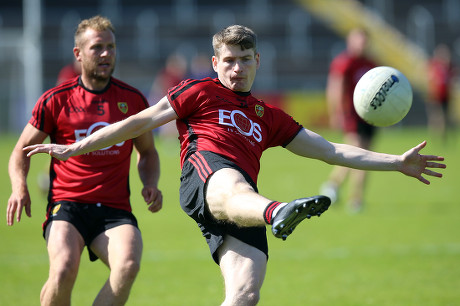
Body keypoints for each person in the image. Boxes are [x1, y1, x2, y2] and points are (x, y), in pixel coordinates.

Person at [24, 25, 445, 305]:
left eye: (245, 59)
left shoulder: (270, 116)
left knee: (244, 294)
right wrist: (72, 149)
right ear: (215, 64)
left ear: (257, 61)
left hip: (239, 206)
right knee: (232, 181)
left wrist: (397, 162)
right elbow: (136, 123)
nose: (237, 68)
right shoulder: (199, 91)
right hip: (206, 177)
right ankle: (277, 211)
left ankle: (269, 211)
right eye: (228, 60)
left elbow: (331, 150)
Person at [7, 15, 163, 306]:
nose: (106, 54)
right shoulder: (56, 100)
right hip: (68, 206)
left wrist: (150, 182)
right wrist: (20, 188)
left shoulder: (131, 100)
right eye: (97, 47)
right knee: (63, 269)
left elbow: (148, 152)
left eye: (111, 47)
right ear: (78, 53)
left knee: (128, 265)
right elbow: (20, 150)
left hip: (115, 209)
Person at [320, 28, 378, 213]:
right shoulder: (344, 62)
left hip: (369, 117)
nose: (361, 43)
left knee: (364, 156)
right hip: (351, 115)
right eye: (358, 39)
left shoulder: (371, 63)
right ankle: (356, 199)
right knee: (359, 154)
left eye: (364, 40)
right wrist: (336, 112)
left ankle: (332, 186)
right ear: (350, 41)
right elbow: (334, 88)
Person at [426, 43, 456, 143]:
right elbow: (430, 78)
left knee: (445, 117)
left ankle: (443, 135)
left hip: (446, 96)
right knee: (436, 116)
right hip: (435, 95)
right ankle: (436, 135)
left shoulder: (449, 66)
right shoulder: (434, 65)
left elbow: (452, 79)